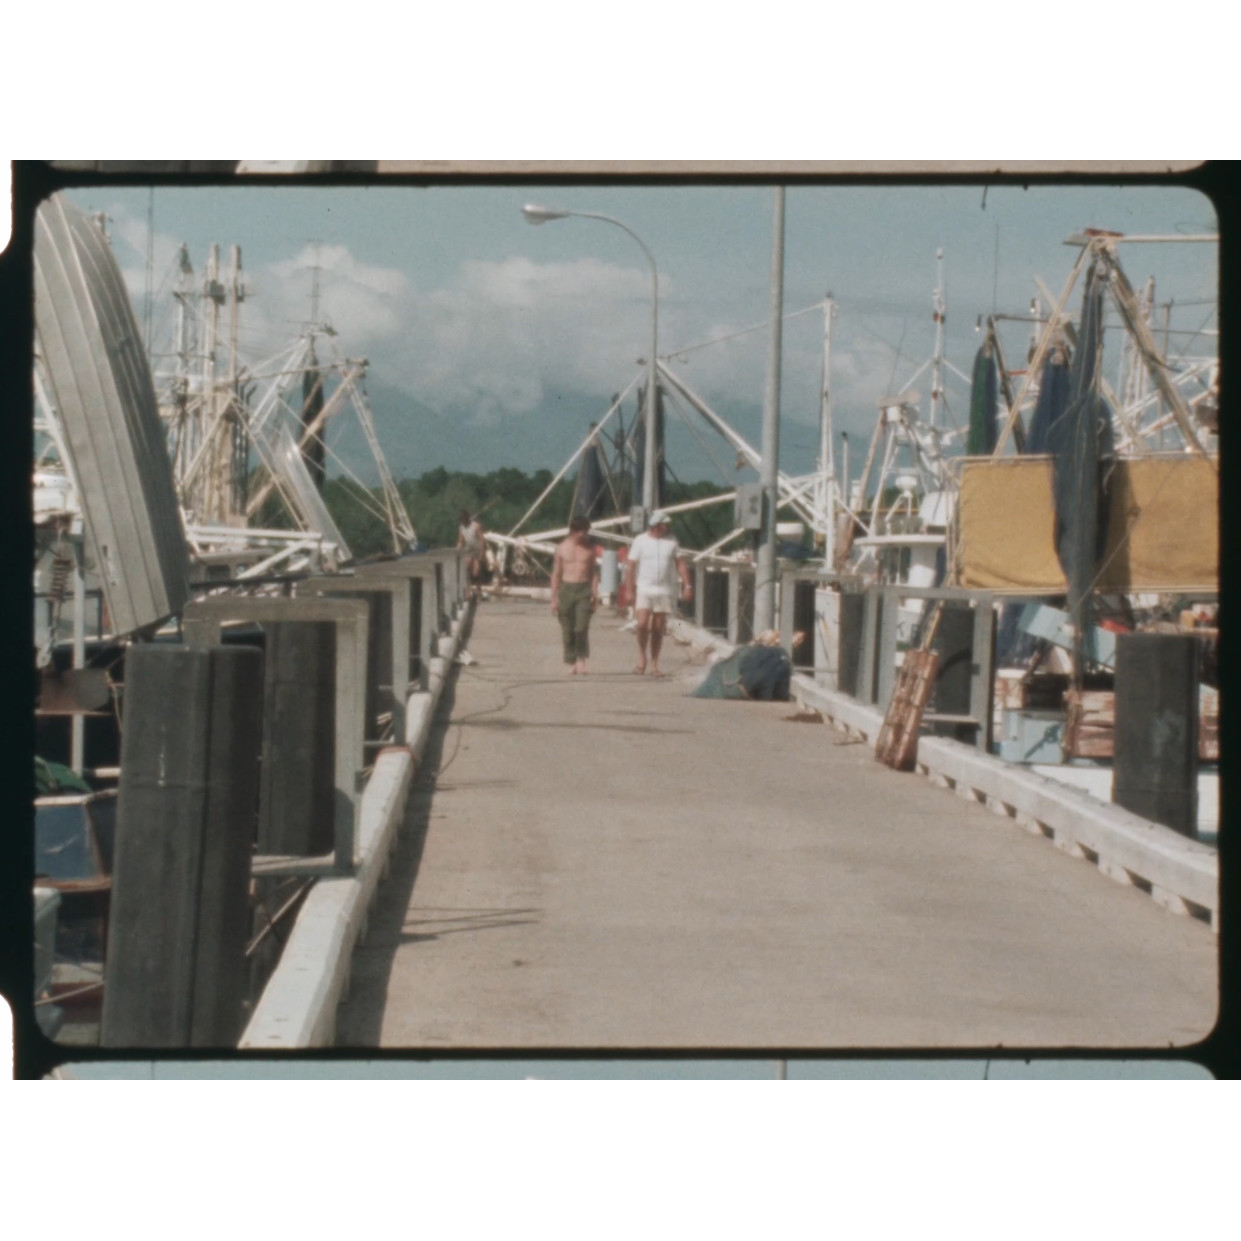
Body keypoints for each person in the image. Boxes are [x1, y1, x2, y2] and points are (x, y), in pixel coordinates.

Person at [625, 510, 692, 676]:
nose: (668, 527)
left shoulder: (672, 541)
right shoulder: (640, 541)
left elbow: (680, 564)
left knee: (657, 627)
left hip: (663, 589)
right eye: (665, 525)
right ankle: (642, 656)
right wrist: (629, 589)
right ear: (656, 526)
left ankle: (655, 662)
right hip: (644, 588)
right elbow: (631, 566)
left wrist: (687, 585)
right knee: (641, 624)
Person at [550, 517, 600, 675]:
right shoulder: (561, 548)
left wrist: (595, 595)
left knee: (581, 627)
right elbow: (556, 573)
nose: (583, 535)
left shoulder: (589, 549)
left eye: (585, 532)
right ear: (573, 531)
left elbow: (593, 573)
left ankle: (582, 658)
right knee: (567, 629)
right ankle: (571, 660)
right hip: (566, 588)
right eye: (581, 532)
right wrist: (554, 598)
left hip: (583, 588)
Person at [457, 510, 485, 600]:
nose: (463, 522)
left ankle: (479, 592)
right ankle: (468, 592)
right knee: (466, 570)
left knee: (476, 572)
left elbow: (482, 540)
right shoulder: (461, 527)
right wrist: (457, 550)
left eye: (463, 520)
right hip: (468, 550)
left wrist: (482, 552)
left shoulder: (475, 526)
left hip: (477, 550)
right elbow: (461, 540)